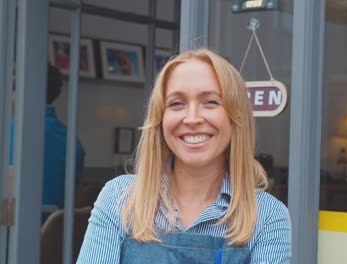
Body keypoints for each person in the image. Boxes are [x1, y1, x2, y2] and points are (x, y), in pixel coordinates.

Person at [77, 49, 291, 263]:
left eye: (211, 101)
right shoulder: (119, 198)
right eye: (176, 103)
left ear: (236, 118)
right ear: (160, 119)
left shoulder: (267, 215)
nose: (192, 118)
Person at [9, 63, 86, 222]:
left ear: (20, 91)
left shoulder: (8, 132)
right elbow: (77, 198)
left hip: (12, 234)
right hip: (55, 240)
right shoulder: (72, 140)